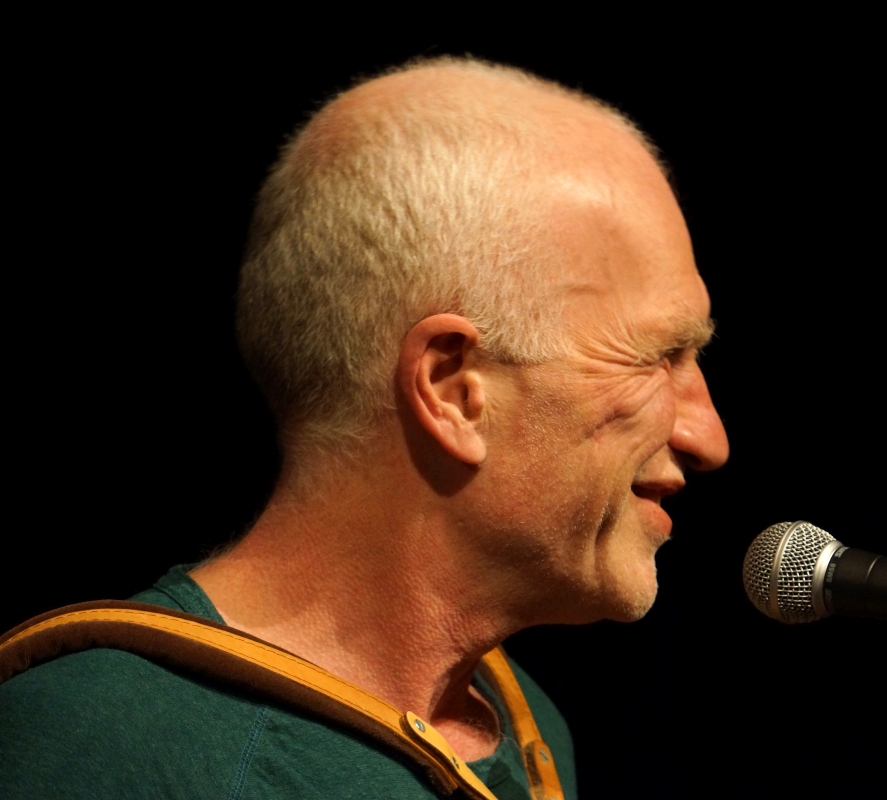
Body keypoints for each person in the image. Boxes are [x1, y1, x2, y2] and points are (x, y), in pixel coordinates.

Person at [0, 56, 728, 799]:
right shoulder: (109, 753)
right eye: (660, 356)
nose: (710, 440)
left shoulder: (527, 726)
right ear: (453, 390)